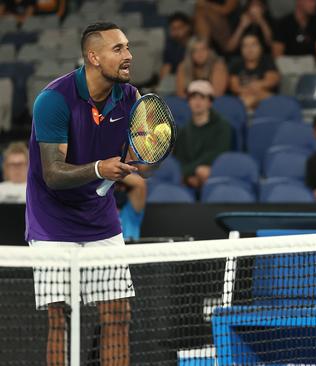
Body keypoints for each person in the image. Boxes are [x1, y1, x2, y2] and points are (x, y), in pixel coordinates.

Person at [26, 22, 156, 365]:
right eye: (118, 49)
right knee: (60, 319)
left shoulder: (130, 97)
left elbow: (136, 158)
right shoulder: (53, 100)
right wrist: (100, 168)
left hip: (100, 220)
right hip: (51, 222)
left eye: (128, 47)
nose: (128, 56)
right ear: (93, 56)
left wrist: (138, 158)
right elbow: (53, 173)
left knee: (118, 315)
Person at [174, 80, 232, 190]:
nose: (197, 101)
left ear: (210, 102)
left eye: (202, 97)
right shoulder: (184, 130)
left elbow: (219, 153)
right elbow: (180, 158)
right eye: (193, 97)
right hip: (190, 175)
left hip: (215, 171)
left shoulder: (222, 126)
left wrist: (190, 171)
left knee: (204, 172)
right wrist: (189, 176)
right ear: (188, 102)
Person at [229, 32, 280, 110]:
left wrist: (253, 88)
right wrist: (251, 89)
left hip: (265, 100)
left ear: (260, 47)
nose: (249, 49)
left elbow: (271, 81)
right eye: (245, 46)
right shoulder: (236, 64)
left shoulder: (267, 61)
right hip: (242, 97)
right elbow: (234, 87)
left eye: (253, 45)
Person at [159, 12, 193, 81]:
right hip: (176, 80)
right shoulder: (171, 45)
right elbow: (167, 67)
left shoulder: (196, 43)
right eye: (173, 28)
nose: (176, 32)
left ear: (187, 27)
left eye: (179, 28)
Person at [114, 173, 146, 242]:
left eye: (123, 186)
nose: (121, 189)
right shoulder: (102, 208)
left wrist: (108, 173)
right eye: (117, 186)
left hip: (130, 249)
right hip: (108, 249)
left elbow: (139, 183)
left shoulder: (131, 209)